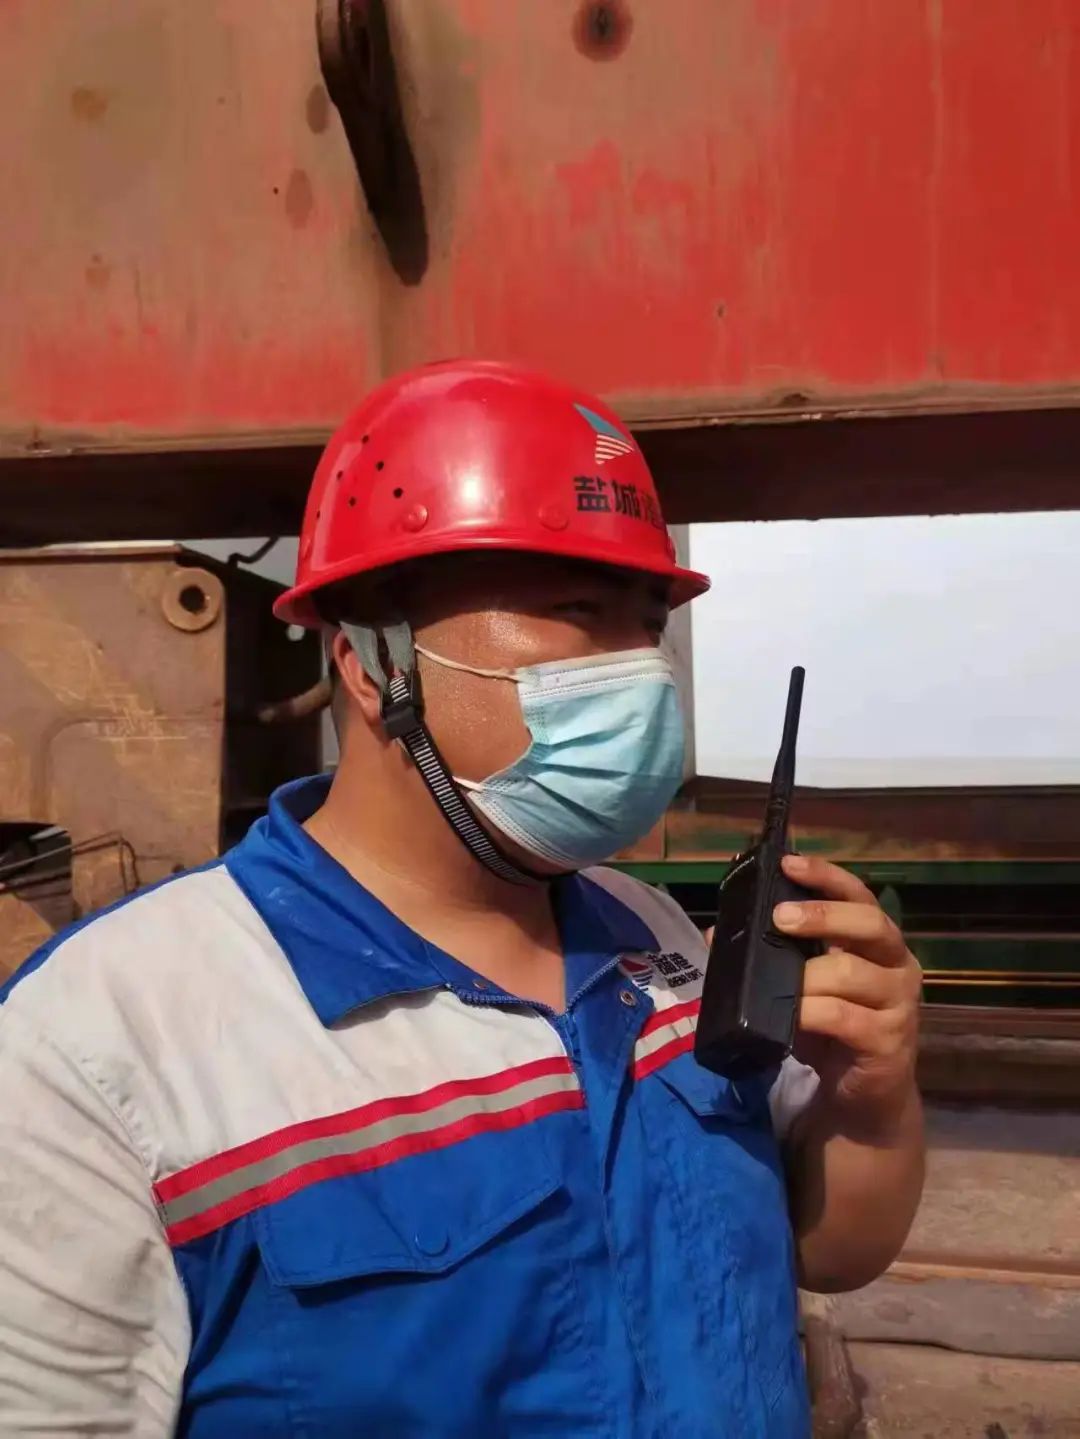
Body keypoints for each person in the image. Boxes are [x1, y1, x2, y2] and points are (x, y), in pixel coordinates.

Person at [0, 361, 924, 1437]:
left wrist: (871, 1101)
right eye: (578, 613)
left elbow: (825, 1250)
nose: (639, 672)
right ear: (371, 666)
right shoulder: (102, 1048)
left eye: (644, 625)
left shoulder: (660, 940)